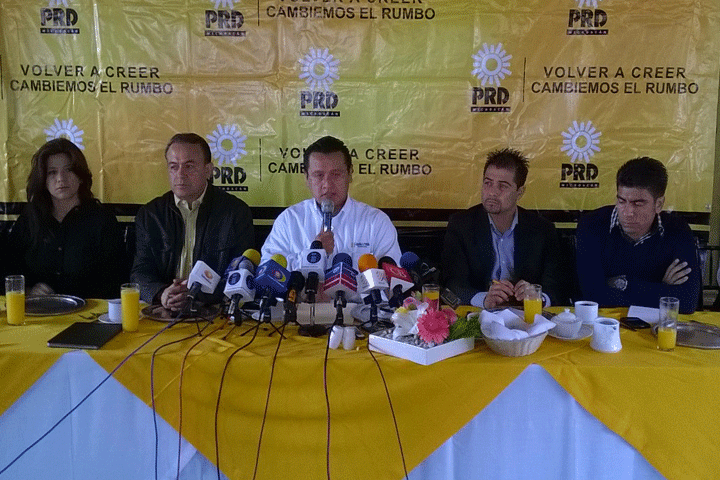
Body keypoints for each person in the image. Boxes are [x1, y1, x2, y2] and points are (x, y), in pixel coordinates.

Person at [130, 133, 254, 310]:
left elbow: (242, 273)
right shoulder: (150, 214)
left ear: (208, 170)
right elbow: (140, 272)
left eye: (189, 166)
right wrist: (162, 293)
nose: (180, 174)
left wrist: (196, 295)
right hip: (164, 308)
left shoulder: (235, 212)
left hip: (213, 310)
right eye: (173, 167)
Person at [441, 148, 565, 308]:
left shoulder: (542, 229)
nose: (492, 192)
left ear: (519, 192)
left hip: (527, 314)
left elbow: (557, 286)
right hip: (480, 313)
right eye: (488, 183)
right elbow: (452, 283)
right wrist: (484, 299)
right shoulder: (461, 225)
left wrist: (537, 297)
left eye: (503, 186)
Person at [575, 156, 700, 314]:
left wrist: (622, 284)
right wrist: (662, 288)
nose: (628, 212)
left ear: (659, 204)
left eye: (638, 204)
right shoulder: (592, 225)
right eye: (622, 201)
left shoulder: (678, 230)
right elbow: (593, 296)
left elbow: (687, 302)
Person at [261, 135, 401, 271]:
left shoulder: (377, 222)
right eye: (319, 175)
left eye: (336, 174)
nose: (327, 185)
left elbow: (394, 277)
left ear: (350, 174)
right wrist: (313, 255)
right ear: (307, 178)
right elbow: (267, 272)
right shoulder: (289, 220)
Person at [7, 138, 124, 299]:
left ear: (81, 176)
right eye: (52, 172)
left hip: (90, 311)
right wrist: (28, 290)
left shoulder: (102, 220)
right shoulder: (30, 218)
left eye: (68, 170)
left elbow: (116, 280)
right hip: (38, 310)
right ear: (43, 179)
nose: (61, 178)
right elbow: (9, 270)